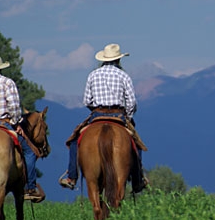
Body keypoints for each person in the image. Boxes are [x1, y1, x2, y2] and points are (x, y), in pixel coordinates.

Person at [59, 43, 148, 192]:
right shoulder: (124, 75)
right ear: (118, 60)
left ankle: (72, 176)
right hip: (118, 115)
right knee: (136, 143)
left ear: (103, 59)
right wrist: (128, 116)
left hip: (97, 114)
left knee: (74, 141)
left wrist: (96, 110)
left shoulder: (93, 75)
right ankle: (138, 180)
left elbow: (87, 100)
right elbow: (131, 102)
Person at [0, 53, 45, 202]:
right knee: (30, 152)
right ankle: (30, 187)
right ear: (1, 68)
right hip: (3, 123)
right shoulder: (8, 83)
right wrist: (17, 123)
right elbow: (14, 106)